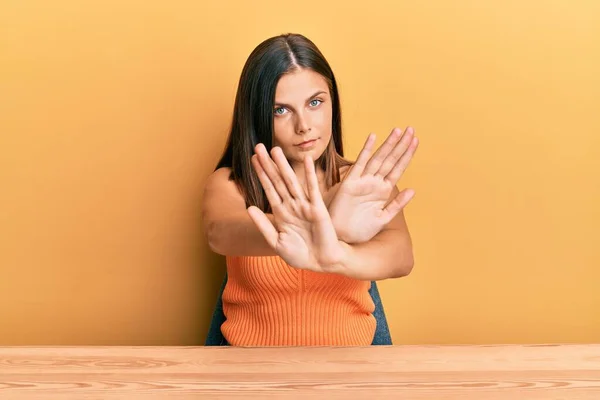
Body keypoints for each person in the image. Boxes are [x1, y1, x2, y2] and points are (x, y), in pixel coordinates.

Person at [202, 33, 419, 347]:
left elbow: (401, 258)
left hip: (352, 376)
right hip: (249, 377)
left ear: (333, 102)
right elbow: (219, 233)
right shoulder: (230, 183)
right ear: (257, 116)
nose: (304, 125)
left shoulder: (362, 184)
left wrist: (335, 253)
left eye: (315, 102)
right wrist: (323, 218)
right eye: (281, 110)